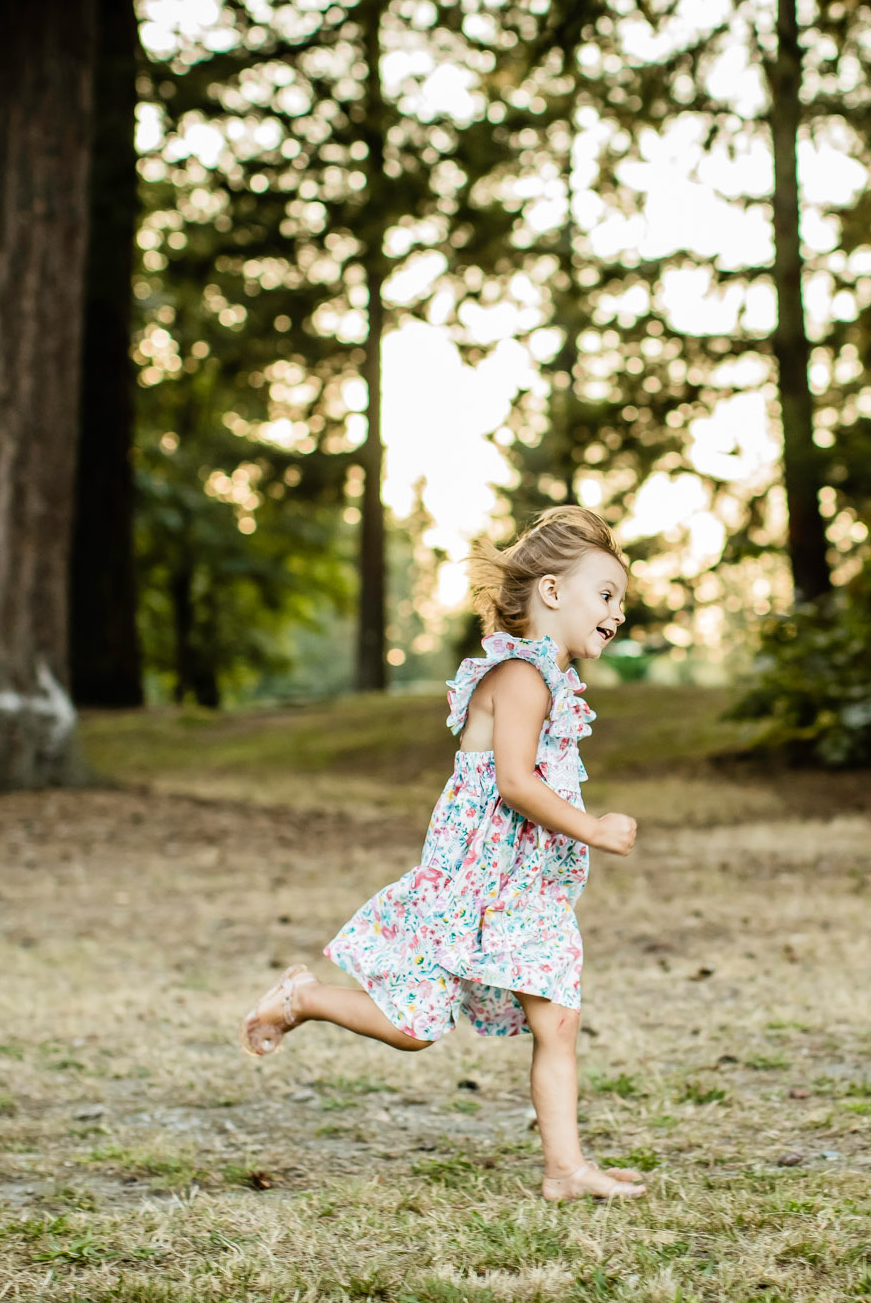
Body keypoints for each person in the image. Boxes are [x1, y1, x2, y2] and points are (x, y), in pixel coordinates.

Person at [238, 505, 647, 1201]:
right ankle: (304, 997)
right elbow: (516, 784)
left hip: (523, 892)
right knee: (414, 1027)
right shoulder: (519, 678)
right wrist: (592, 826)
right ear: (552, 592)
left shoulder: (550, 681)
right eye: (606, 595)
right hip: (472, 886)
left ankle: (566, 1168)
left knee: (559, 1018)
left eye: (621, 602)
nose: (617, 614)